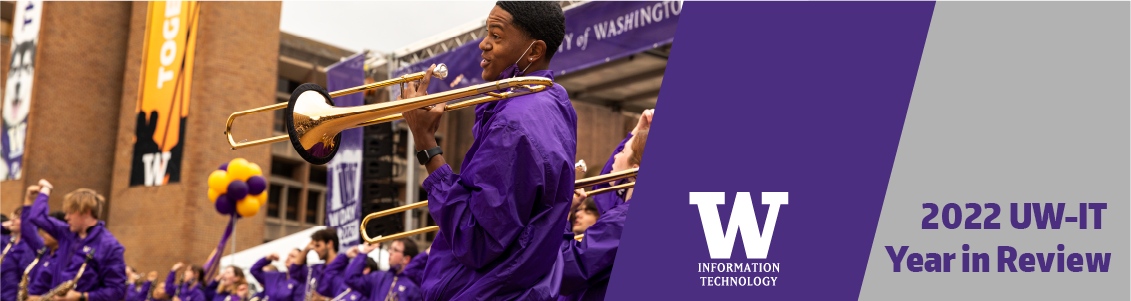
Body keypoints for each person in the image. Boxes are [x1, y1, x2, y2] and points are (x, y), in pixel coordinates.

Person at [399, 1, 572, 299]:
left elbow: (474, 238)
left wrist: (425, 141)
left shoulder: (513, 123)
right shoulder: (556, 102)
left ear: (533, 51)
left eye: (496, 35)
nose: (484, 44)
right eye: (486, 33)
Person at [558, 124, 650, 301]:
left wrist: (563, 214)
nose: (616, 155)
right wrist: (637, 132)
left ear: (635, 169)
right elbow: (605, 189)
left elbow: (565, 272)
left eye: (622, 151)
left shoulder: (621, 220)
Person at [24, 179, 127, 301]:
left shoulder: (109, 246)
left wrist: (81, 296)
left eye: (70, 213)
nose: (66, 218)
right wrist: (45, 190)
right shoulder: (66, 232)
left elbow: (117, 291)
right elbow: (37, 217)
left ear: (86, 211)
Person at [343, 241, 421, 301]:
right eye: (390, 249)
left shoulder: (414, 287)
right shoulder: (378, 276)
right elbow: (351, 279)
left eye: (395, 250)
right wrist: (363, 252)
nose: (389, 252)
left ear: (406, 259)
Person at [289, 228, 339, 301]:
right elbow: (294, 271)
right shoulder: (315, 268)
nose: (315, 249)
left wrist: (323, 299)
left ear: (329, 244)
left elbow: (348, 298)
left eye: (318, 245)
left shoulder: (344, 268)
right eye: (314, 246)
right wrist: (306, 249)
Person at [1, 205, 34, 301]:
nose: (12, 219)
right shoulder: (8, 241)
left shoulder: (29, 246)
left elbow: (25, 279)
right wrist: (3, 226)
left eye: (18, 217)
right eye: (13, 215)